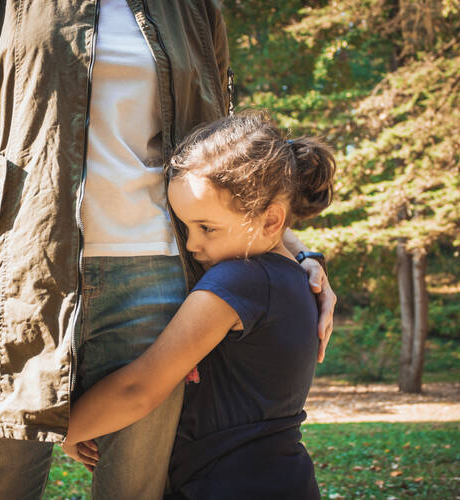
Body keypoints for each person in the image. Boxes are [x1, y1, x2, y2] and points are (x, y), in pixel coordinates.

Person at [0, 1, 336, 498]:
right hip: (15, 283)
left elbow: (230, 169)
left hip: (160, 285)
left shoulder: (194, 8)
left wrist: (295, 255)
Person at [62, 111, 333, 500]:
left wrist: (69, 428)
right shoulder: (291, 279)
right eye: (185, 226)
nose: (191, 245)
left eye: (207, 228)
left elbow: (140, 387)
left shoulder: (240, 280)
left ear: (272, 221)